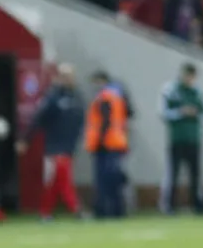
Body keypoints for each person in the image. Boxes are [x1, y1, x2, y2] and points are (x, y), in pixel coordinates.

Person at [20, 65, 86, 220]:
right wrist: (26, 139)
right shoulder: (52, 97)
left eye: (70, 75)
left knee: (56, 181)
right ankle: (76, 208)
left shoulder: (77, 97)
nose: (68, 78)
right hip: (55, 146)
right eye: (64, 75)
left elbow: (80, 121)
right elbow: (38, 119)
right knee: (63, 178)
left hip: (70, 146)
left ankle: (44, 212)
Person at [159, 63, 203, 213]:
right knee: (173, 173)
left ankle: (198, 205)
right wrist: (181, 112)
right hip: (177, 139)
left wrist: (195, 113)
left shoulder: (197, 92)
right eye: (188, 75)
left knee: (196, 174)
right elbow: (163, 113)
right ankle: (169, 205)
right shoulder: (171, 90)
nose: (190, 79)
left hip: (194, 139)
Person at [86, 71, 130, 218]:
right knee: (114, 180)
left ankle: (103, 211)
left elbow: (105, 121)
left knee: (103, 181)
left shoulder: (104, 97)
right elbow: (129, 114)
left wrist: (99, 141)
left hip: (106, 144)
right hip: (117, 143)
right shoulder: (118, 96)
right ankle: (118, 210)